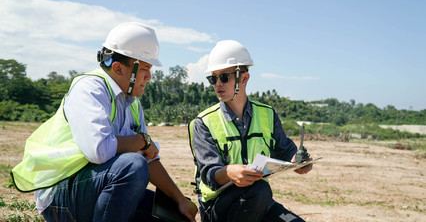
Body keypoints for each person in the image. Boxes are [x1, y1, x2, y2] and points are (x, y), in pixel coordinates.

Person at [11, 22, 197, 221]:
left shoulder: (132, 102)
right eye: (145, 68)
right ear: (117, 68)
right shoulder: (89, 88)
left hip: (98, 189)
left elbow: (149, 158)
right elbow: (99, 150)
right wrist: (142, 141)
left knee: (175, 215)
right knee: (132, 164)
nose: (150, 76)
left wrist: (180, 200)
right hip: (61, 197)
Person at [189, 40, 312, 222]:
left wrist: (299, 161)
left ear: (244, 78)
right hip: (218, 206)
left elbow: (286, 151)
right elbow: (209, 174)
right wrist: (229, 172)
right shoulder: (203, 123)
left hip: (257, 202)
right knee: (260, 189)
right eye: (213, 78)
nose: (217, 84)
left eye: (224, 77)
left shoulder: (267, 114)